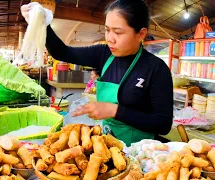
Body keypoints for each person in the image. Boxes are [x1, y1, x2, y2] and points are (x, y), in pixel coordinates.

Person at [21, 0, 173, 146]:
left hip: (139, 151)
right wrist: (41, 22)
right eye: (107, 30)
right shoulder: (103, 54)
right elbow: (63, 52)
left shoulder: (156, 69)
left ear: (141, 34)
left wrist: (115, 110)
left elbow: (163, 124)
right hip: (107, 143)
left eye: (118, 32)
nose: (110, 39)